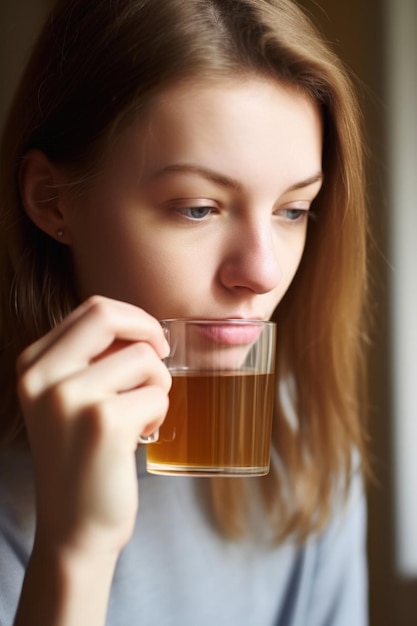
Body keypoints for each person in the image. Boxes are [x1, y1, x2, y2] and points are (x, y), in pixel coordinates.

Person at [0, 0, 370, 624]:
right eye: (198, 207)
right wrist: (75, 553)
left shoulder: (303, 445)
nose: (262, 271)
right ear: (53, 201)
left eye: (293, 210)